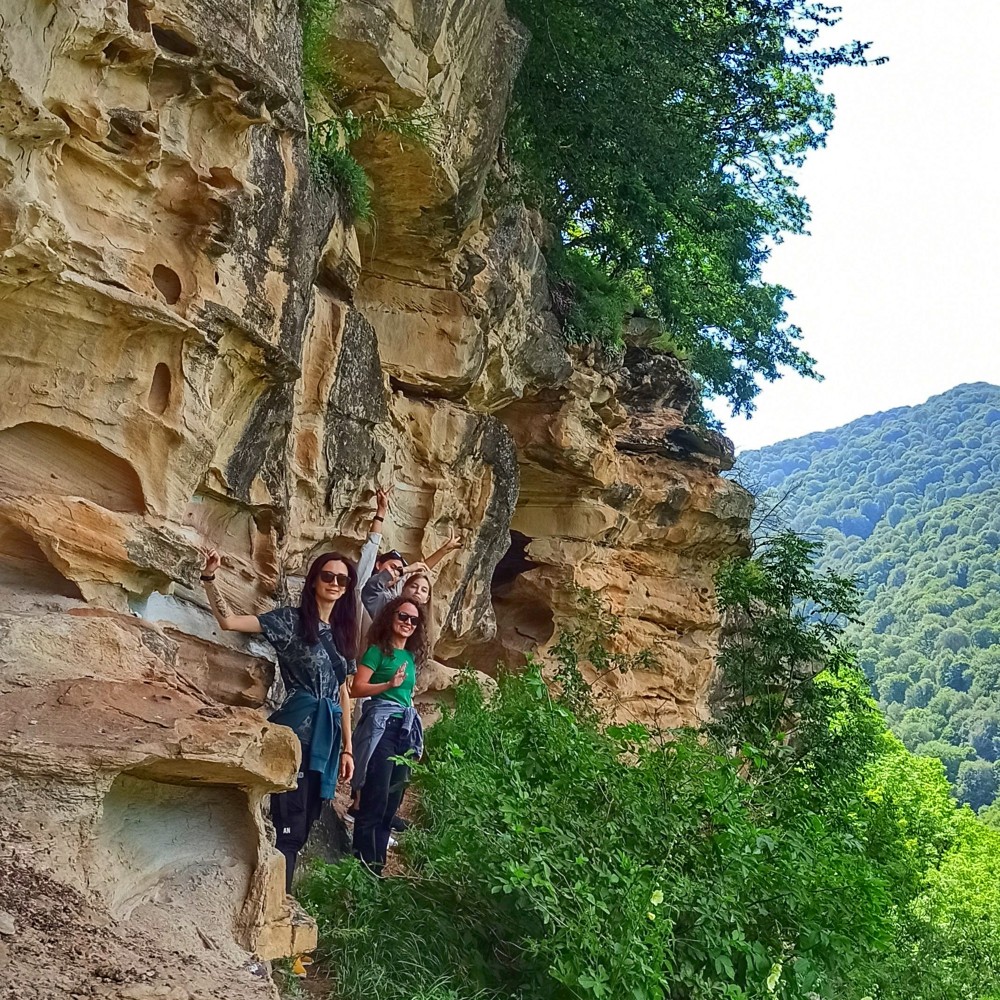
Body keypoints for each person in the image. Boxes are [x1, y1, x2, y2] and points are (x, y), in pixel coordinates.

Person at [200, 548, 356, 892]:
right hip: (294, 735)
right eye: (327, 576)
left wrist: (347, 749)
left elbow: (344, 693)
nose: (334, 583)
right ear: (314, 580)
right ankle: (274, 904)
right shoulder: (290, 621)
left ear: (347, 588)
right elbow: (229, 623)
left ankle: (276, 897)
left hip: (326, 741)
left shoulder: (344, 636)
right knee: (289, 823)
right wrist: (210, 578)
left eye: (341, 579)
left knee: (304, 825)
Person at [350, 595, 429, 874]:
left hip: (403, 731)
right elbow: (356, 688)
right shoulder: (377, 652)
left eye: (413, 620)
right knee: (376, 795)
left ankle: (376, 869)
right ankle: (362, 866)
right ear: (390, 618)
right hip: (382, 728)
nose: (408, 623)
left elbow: (405, 694)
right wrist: (388, 684)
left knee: (392, 801)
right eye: (402, 617)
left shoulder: (409, 656)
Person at [360, 524, 462, 620]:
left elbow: (422, 570)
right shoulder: (364, 582)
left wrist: (443, 551)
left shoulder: (394, 595)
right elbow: (371, 549)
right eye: (393, 567)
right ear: (378, 565)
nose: (395, 573)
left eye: (423, 590)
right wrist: (405, 570)